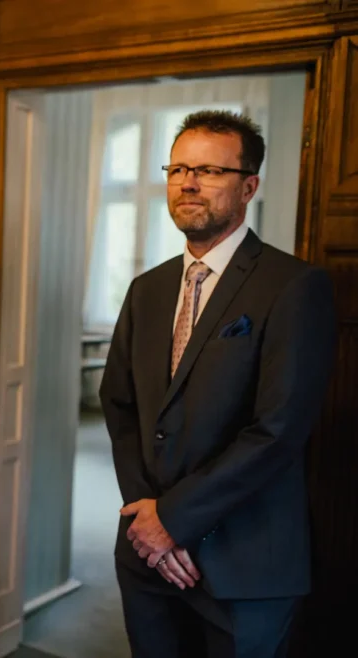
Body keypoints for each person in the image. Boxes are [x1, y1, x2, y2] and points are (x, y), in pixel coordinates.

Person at [100, 110, 336, 657]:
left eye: (208, 170)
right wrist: (147, 517)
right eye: (178, 167)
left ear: (248, 185)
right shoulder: (147, 289)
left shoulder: (295, 287)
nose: (187, 182)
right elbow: (121, 407)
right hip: (146, 559)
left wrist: (175, 521)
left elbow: (276, 432)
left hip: (244, 567)